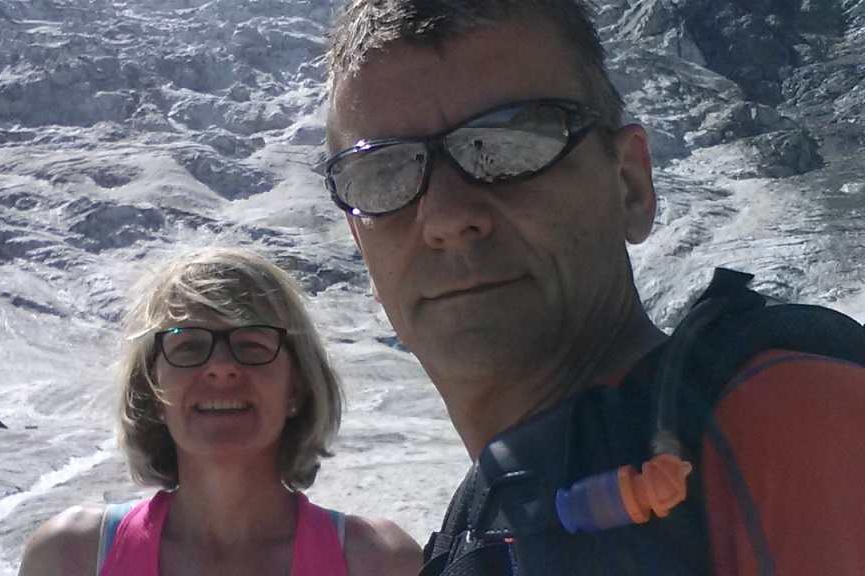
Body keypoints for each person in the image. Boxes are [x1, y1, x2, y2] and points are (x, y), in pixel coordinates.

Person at [322, 1, 865, 574]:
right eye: (382, 174)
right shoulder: (490, 515)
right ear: (362, 244)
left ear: (630, 185)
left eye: (509, 144)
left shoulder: (787, 422)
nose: (446, 218)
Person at [18, 247, 421, 576]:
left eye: (253, 345)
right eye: (188, 346)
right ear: (152, 391)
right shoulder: (71, 558)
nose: (222, 367)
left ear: (297, 388)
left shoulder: (380, 562)